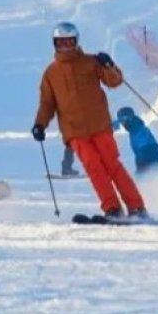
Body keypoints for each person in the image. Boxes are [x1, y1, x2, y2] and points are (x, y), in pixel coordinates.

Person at [31, 21, 148, 220]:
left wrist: (108, 64)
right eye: (61, 42)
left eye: (69, 42)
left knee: (111, 164)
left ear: (76, 42)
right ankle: (112, 208)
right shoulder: (51, 73)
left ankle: (136, 207)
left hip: (99, 125)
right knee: (94, 168)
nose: (66, 46)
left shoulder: (91, 62)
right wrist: (40, 124)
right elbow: (47, 103)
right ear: (55, 44)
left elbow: (115, 81)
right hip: (74, 130)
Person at [112, 106, 158, 174]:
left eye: (123, 121)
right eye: (121, 122)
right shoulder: (134, 128)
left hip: (149, 156)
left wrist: (141, 165)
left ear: (129, 118)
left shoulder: (136, 128)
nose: (123, 124)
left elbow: (146, 148)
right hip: (147, 155)